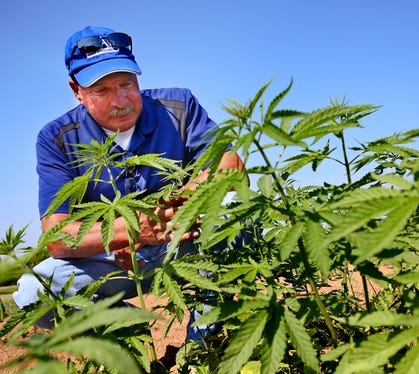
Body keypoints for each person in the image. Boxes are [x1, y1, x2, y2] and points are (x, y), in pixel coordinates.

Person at [13, 26, 245, 341]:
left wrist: (169, 210)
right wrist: (126, 232)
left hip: (184, 239)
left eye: (127, 83)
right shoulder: (57, 139)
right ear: (76, 91)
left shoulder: (177, 106)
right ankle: (131, 343)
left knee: (235, 208)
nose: (120, 100)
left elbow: (231, 168)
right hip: (118, 262)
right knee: (34, 294)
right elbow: (56, 237)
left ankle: (204, 345)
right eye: (101, 90)